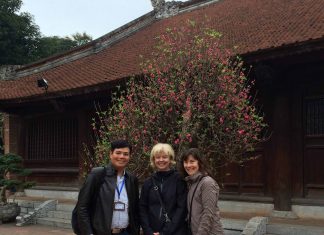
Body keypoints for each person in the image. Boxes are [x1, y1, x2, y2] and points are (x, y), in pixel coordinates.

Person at [77, 140, 140, 235]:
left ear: (129, 157)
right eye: (118, 153)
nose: (122, 156)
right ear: (111, 154)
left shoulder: (131, 179)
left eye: (126, 154)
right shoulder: (97, 174)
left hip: (125, 232)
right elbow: (82, 207)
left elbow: (135, 209)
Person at [139, 143, 188, 235]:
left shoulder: (179, 180)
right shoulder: (148, 182)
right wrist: (148, 231)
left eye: (165, 157)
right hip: (152, 232)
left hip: (174, 232)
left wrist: (164, 233)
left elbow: (181, 209)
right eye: (158, 157)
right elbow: (142, 208)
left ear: (170, 159)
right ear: (153, 160)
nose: (161, 160)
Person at [179, 148, 224, 235]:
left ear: (199, 162)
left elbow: (208, 214)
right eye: (185, 162)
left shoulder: (207, 182)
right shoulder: (191, 182)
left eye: (192, 161)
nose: (188, 165)